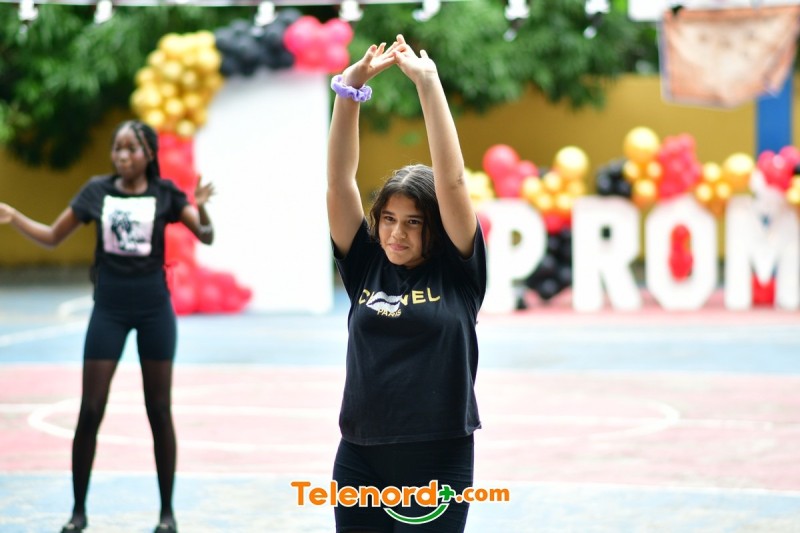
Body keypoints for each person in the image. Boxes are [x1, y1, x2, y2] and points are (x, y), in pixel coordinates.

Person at [0, 120, 215, 533]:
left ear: (148, 154)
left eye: (131, 148)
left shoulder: (165, 194)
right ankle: (78, 512)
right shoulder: (97, 191)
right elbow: (52, 236)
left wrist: (201, 205)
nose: (122, 156)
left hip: (154, 310)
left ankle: (166, 514)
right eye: (117, 148)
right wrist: (15, 217)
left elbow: (205, 235)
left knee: (159, 410)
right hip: (110, 310)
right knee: (91, 409)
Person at [326, 34, 487, 532]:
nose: (396, 233)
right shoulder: (365, 264)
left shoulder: (458, 272)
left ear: (434, 227)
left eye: (413, 222)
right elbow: (339, 182)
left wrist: (427, 83)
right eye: (389, 219)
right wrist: (349, 92)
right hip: (360, 456)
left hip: (438, 459)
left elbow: (452, 182)